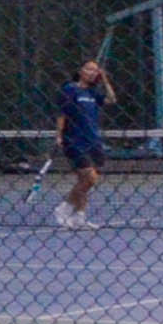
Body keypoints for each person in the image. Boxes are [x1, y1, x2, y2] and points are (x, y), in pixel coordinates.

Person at [53, 58, 114, 230]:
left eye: (95, 70)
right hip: (74, 140)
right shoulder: (70, 89)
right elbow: (62, 114)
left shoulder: (93, 93)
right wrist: (59, 135)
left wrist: (105, 80)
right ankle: (64, 208)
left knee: (84, 181)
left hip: (92, 140)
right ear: (80, 71)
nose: (92, 72)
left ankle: (80, 217)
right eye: (89, 69)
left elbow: (111, 99)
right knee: (90, 177)